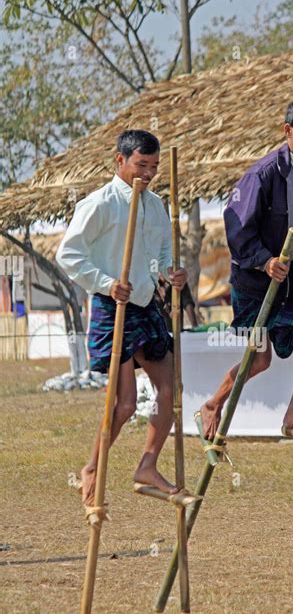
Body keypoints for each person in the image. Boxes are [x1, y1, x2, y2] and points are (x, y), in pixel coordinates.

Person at [200, 97, 293, 439]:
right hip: (258, 277)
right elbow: (236, 228)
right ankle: (213, 404)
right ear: (288, 131)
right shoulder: (263, 173)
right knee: (260, 358)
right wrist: (265, 261)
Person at [56, 129, 187, 506]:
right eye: (140, 165)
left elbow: (162, 254)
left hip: (146, 305)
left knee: (170, 392)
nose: (147, 173)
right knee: (125, 404)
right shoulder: (99, 203)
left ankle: (147, 465)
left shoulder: (157, 205)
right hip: (112, 305)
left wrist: (170, 271)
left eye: (153, 167)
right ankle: (93, 468)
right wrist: (107, 282)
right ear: (120, 161)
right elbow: (69, 255)